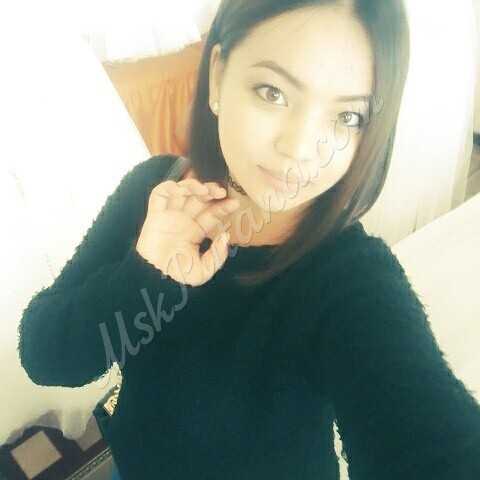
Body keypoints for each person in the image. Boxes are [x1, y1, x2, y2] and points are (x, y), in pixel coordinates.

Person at [18, 1, 480, 479]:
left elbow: (431, 443)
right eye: (273, 92)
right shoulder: (156, 189)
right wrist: (144, 271)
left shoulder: (351, 281)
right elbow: (46, 356)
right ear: (218, 76)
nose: (299, 148)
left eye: (347, 117)